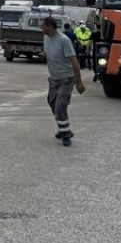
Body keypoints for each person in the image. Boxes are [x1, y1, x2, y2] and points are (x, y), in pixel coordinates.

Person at [41, 16, 85, 147]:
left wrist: (79, 82)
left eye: (43, 25)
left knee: (60, 105)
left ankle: (66, 134)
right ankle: (62, 127)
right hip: (53, 79)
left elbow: (75, 62)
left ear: (50, 26)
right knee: (52, 103)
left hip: (66, 79)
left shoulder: (64, 40)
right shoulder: (46, 37)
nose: (41, 28)